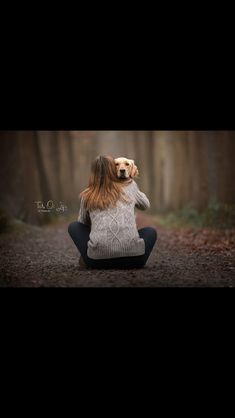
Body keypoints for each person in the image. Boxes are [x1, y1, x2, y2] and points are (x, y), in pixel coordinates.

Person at [68, 155, 157, 269]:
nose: (121, 167)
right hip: (135, 261)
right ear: (112, 170)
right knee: (150, 231)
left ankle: (91, 255)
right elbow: (145, 205)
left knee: (74, 226)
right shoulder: (130, 186)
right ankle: (127, 252)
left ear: (92, 173)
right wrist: (132, 183)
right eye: (116, 165)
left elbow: (82, 223)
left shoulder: (87, 194)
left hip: (96, 263)